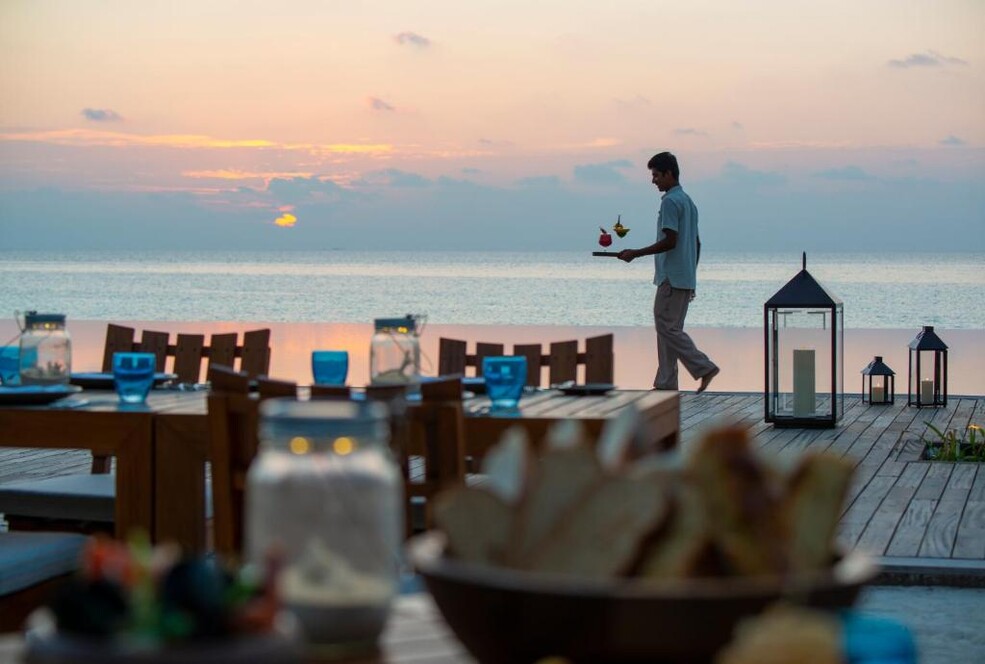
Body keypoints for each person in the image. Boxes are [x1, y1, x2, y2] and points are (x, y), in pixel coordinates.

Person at [617, 152, 719, 393]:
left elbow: (670, 241)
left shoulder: (670, 202)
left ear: (668, 173)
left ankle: (703, 366)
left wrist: (636, 253)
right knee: (669, 331)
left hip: (671, 278)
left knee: (666, 328)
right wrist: (691, 276)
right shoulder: (688, 202)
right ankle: (666, 384)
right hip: (684, 278)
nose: (653, 180)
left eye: (656, 175)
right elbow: (696, 243)